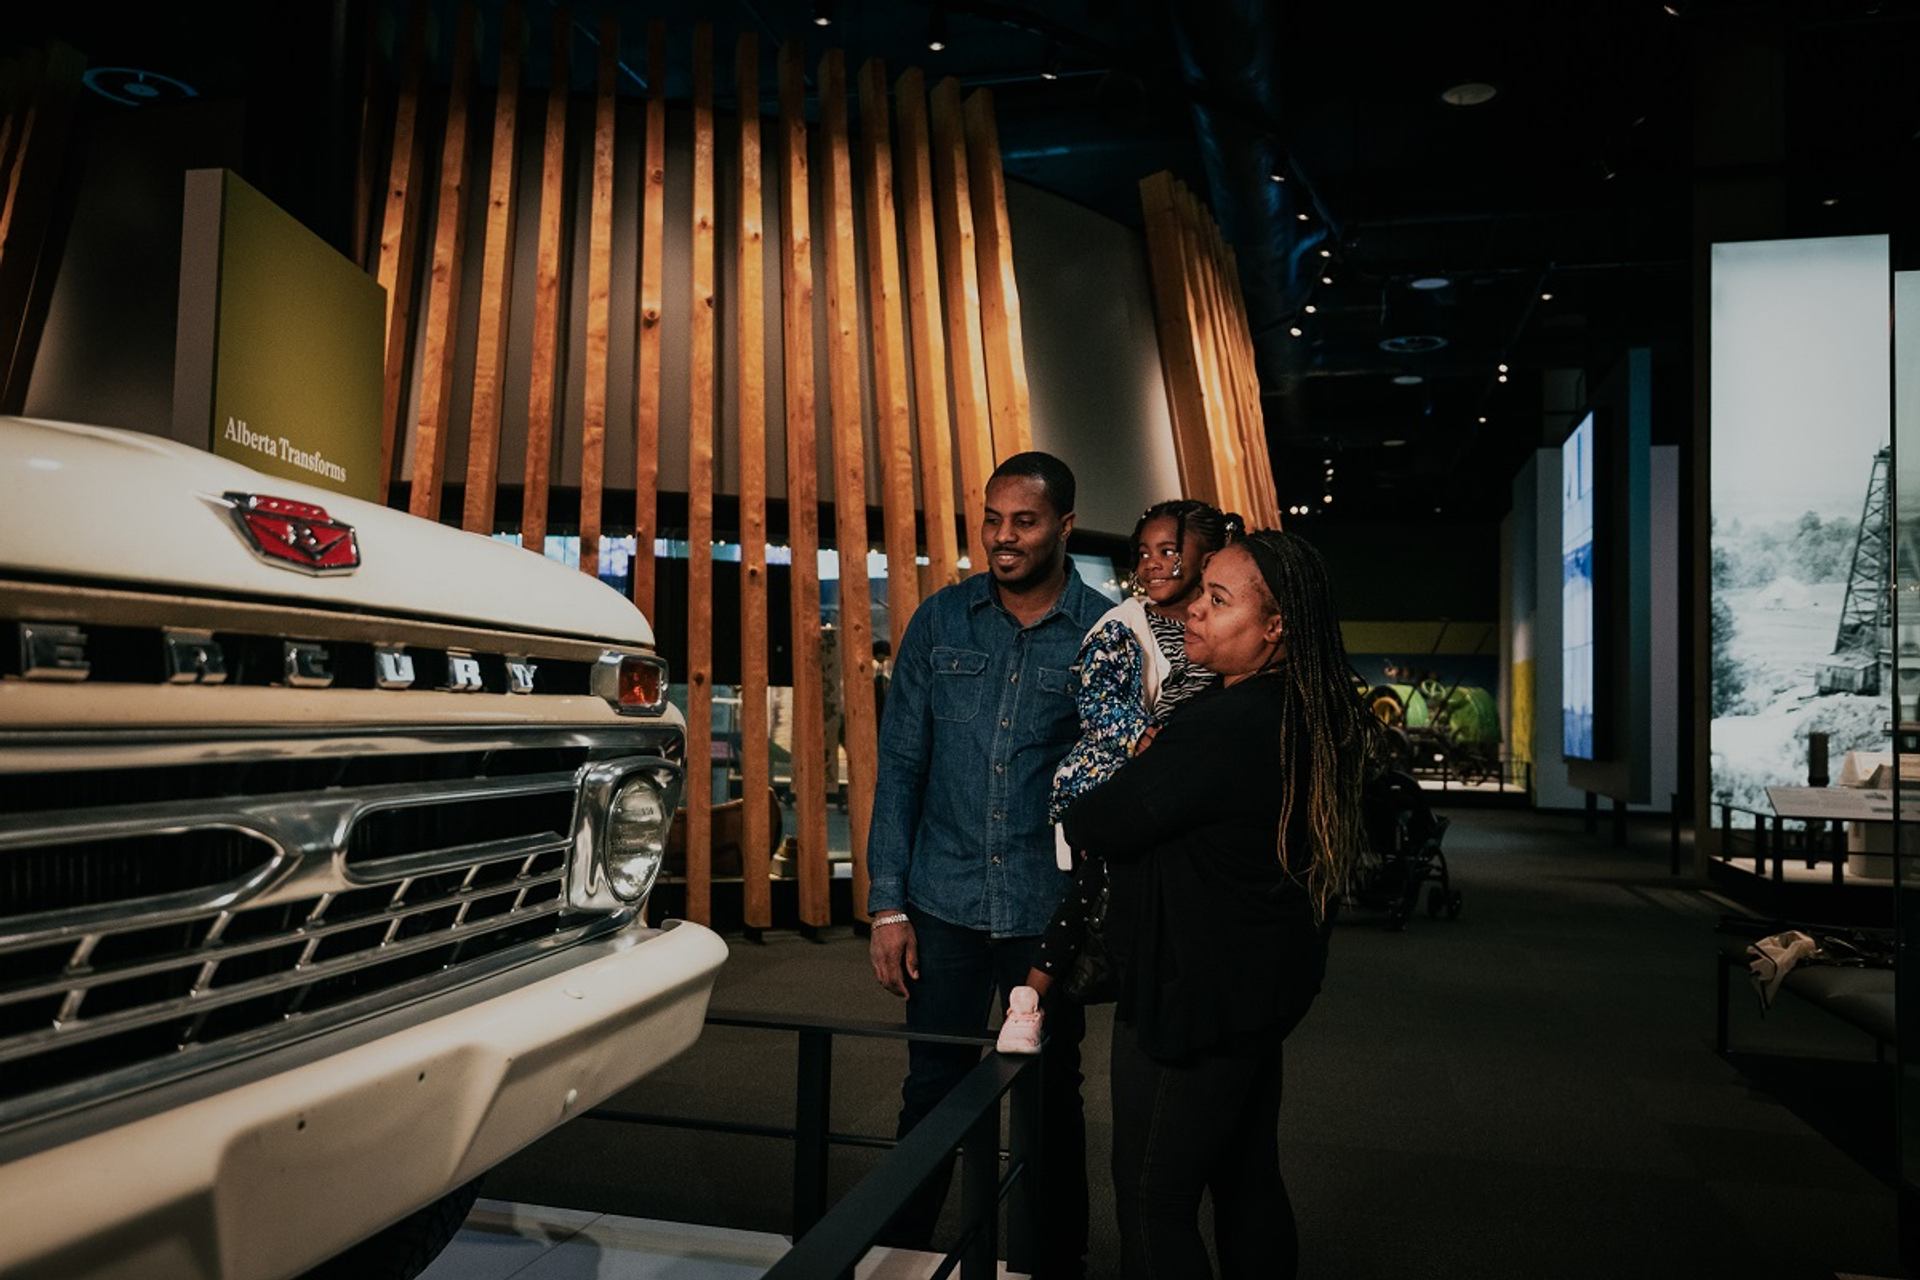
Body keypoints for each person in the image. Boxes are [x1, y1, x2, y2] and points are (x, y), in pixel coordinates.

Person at [1062, 529, 1371, 1280]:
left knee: (1150, 1197)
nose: (1193, 609)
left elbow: (1095, 819)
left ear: (1275, 630)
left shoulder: (1223, 724)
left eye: (1218, 599)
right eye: (1200, 591)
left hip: (1190, 999)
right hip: (1258, 990)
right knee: (1245, 1177)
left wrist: (1138, 763)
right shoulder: (1310, 711)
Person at [866, 451, 1110, 1278]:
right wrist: (887, 907)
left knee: (1048, 1097)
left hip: (1045, 914)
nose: (1004, 538)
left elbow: (1110, 792)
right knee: (931, 1086)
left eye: (1026, 522)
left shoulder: (1101, 634)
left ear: (1064, 526)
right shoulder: (941, 621)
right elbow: (900, 769)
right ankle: (901, 1256)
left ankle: (1051, 1264)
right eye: (993, 519)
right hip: (940, 901)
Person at [996, 500, 1243, 1054]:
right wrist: (1147, 742)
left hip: (1168, 782)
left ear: (1209, 559)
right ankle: (1029, 998)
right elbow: (1100, 701)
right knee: (1092, 890)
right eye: (1144, 553)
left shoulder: (1212, 624)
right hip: (1106, 779)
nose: (1153, 564)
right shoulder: (1121, 625)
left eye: (1170, 551)